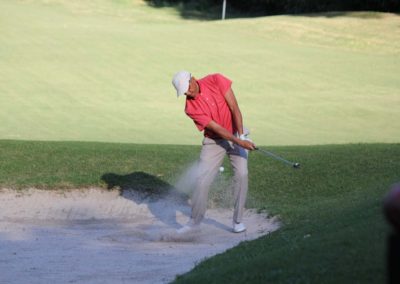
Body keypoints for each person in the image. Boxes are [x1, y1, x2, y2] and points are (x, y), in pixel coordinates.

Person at [171, 71, 256, 233]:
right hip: (214, 140)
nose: (187, 93)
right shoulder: (190, 108)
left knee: (242, 174)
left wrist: (242, 136)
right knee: (201, 179)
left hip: (237, 131)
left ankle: (238, 221)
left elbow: (234, 107)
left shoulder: (216, 80)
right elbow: (216, 128)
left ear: (193, 79)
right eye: (184, 92)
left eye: (187, 88)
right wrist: (240, 142)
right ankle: (194, 223)